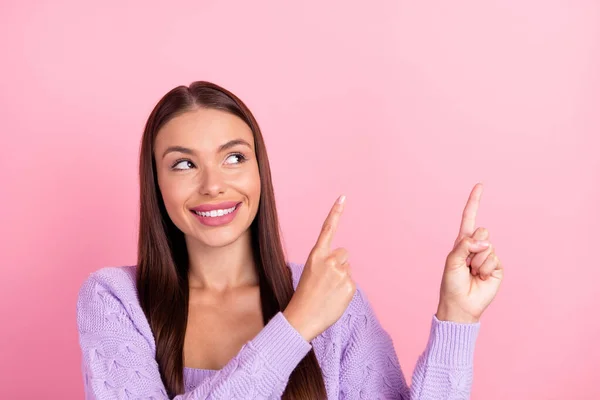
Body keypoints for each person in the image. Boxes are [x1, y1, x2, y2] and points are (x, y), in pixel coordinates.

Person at [76, 81, 504, 399]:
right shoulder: (115, 298)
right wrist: (296, 325)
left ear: (259, 170)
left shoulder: (333, 298)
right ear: (156, 183)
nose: (212, 184)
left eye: (234, 158)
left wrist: (457, 318)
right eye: (184, 164)